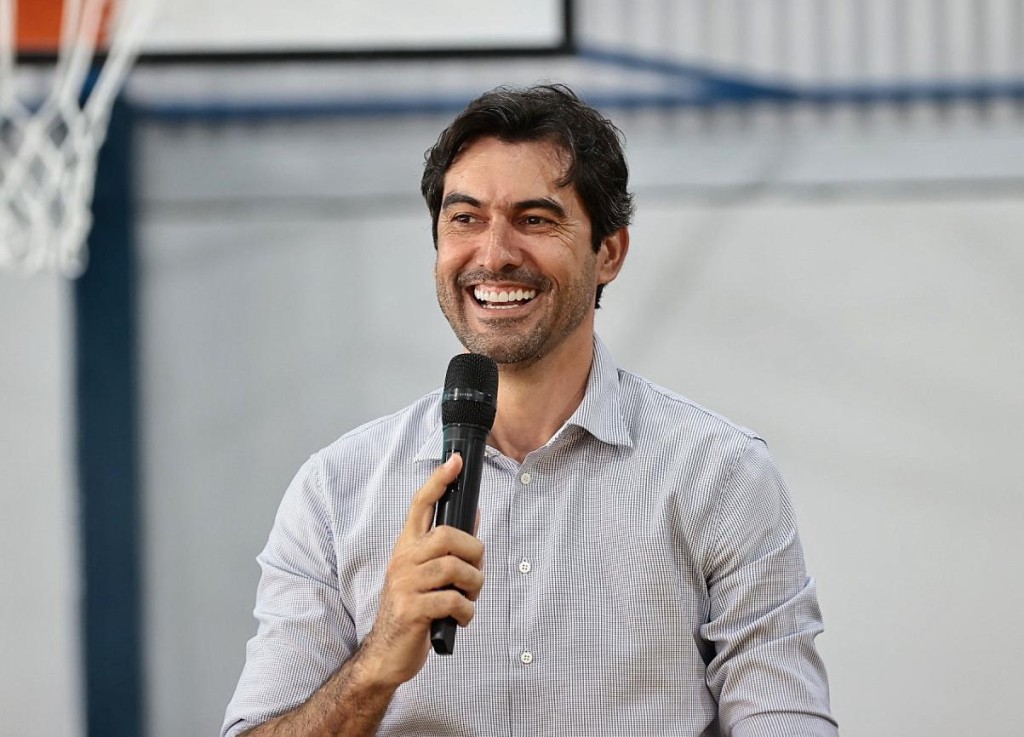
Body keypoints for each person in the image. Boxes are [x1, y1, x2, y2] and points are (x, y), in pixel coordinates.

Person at [222, 83, 838, 737]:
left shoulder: (722, 475)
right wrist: (376, 664)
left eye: (535, 219)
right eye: (465, 219)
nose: (494, 254)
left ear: (609, 252)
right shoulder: (334, 491)